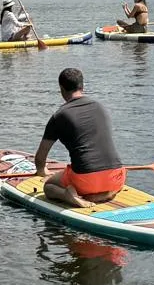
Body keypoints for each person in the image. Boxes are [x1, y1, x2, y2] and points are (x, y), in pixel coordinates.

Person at [34, 67, 125, 208]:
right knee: (106, 178)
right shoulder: (100, 107)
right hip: (117, 176)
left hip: (86, 180)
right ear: (82, 86)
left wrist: (42, 171)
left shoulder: (59, 116)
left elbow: (40, 158)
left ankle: (68, 195)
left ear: (61, 89)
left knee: (49, 187)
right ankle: (105, 194)